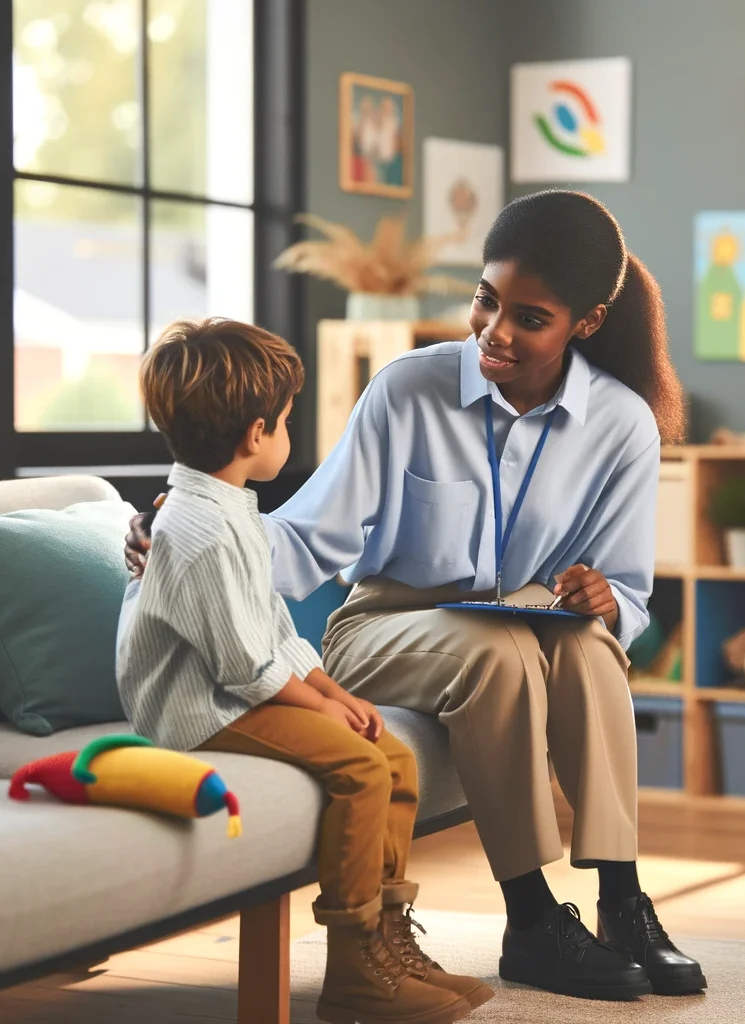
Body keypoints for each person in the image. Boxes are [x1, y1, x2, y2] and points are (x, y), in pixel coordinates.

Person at [128, 191, 704, 1001]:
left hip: (530, 621)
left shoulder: (622, 424)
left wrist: (602, 598)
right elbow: (311, 536)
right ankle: (532, 917)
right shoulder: (407, 388)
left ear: (588, 321)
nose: (495, 331)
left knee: (587, 646)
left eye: (529, 318)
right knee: (499, 652)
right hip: (384, 627)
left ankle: (622, 900)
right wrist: (188, 530)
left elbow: (630, 591)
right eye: (486, 299)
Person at [117, 319, 489, 1024]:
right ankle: (354, 963)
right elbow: (243, 664)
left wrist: (329, 689)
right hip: (200, 708)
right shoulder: (198, 531)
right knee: (362, 769)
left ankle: (388, 942)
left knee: (395, 758)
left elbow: (272, 628)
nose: (289, 432)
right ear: (256, 434)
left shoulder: (231, 510)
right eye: (287, 421)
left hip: (238, 689)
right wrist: (319, 708)